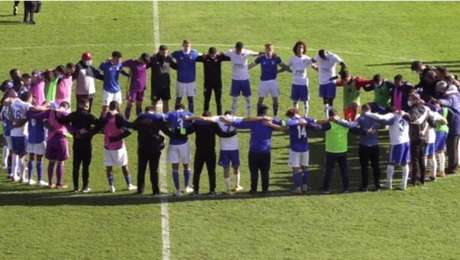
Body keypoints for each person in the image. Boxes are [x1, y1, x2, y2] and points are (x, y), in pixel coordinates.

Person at [230, 105, 283, 194]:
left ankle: (253, 189)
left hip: (253, 152)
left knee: (254, 172)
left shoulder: (253, 122)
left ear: (257, 112)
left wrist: (228, 121)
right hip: (265, 152)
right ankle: (265, 190)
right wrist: (271, 124)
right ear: (265, 113)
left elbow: (239, 123)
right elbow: (283, 125)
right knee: (265, 172)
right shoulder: (270, 121)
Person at [57, 98, 99, 193]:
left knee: (76, 165)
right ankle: (85, 187)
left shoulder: (73, 115)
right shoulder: (89, 116)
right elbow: (99, 124)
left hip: (77, 143)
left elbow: (61, 120)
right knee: (85, 166)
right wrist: (90, 132)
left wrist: (73, 130)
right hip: (87, 144)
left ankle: (75, 187)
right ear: (85, 106)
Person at [28, 101, 71, 189]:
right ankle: (59, 184)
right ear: (67, 107)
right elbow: (71, 123)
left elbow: (37, 116)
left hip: (51, 140)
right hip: (61, 139)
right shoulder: (65, 113)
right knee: (60, 162)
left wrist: (30, 112)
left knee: (51, 162)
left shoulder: (50, 112)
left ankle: (50, 183)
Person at [365, 109, 411, 190]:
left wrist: (367, 113)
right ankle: (404, 184)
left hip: (396, 143)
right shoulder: (406, 115)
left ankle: (389, 183)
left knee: (390, 163)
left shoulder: (392, 115)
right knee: (405, 163)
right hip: (406, 142)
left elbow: (380, 117)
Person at [99, 101, 136, 193]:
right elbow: (129, 130)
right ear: (117, 107)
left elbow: (100, 128)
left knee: (109, 167)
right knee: (124, 165)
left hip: (107, 145)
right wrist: (117, 138)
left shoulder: (105, 116)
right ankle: (129, 185)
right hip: (118, 146)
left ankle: (111, 186)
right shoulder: (119, 116)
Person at [128, 106, 167, 195]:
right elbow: (166, 130)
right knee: (154, 170)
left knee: (141, 169)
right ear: (153, 110)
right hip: (155, 148)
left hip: (143, 147)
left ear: (146, 110)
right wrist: (179, 134)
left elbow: (132, 126)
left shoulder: (141, 117)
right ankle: (155, 190)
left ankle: (140, 189)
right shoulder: (158, 117)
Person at [285, 107, 323, 193]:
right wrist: (306, 123)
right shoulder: (305, 119)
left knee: (296, 169)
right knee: (305, 168)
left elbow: (289, 123)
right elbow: (317, 126)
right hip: (305, 148)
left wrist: (300, 122)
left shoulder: (292, 121)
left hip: (295, 148)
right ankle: (305, 186)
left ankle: (298, 188)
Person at [344, 104, 382, 191]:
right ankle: (377, 185)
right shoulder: (375, 118)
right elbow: (380, 125)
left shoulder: (361, 118)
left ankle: (365, 186)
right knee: (376, 166)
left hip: (364, 145)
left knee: (364, 167)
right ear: (370, 109)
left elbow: (352, 127)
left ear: (363, 110)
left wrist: (363, 131)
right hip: (375, 145)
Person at [318, 110, 353, 193]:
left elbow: (319, 128)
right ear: (337, 114)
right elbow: (350, 126)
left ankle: (326, 189)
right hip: (343, 150)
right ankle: (346, 188)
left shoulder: (329, 124)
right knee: (344, 170)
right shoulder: (344, 122)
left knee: (329, 171)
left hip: (331, 151)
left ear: (329, 115)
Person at [249, 43, 289, 117]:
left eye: (270, 49)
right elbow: (251, 65)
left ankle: (275, 116)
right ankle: (258, 116)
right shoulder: (261, 58)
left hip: (273, 82)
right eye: (267, 49)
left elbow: (285, 67)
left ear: (272, 50)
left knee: (275, 100)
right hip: (263, 82)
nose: (268, 51)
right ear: (265, 50)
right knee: (260, 100)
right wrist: (243, 69)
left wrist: (280, 71)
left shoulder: (276, 58)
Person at [164, 103, 193, 196]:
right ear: (183, 108)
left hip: (173, 143)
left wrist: (171, 131)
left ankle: (177, 190)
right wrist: (182, 131)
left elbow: (164, 121)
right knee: (186, 165)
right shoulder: (188, 113)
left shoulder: (170, 114)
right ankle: (187, 187)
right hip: (184, 142)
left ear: (175, 108)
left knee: (175, 167)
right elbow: (191, 124)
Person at [225, 42, 259, 117]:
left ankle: (249, 115)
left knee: (248, 99)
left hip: (245, 79)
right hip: (235, 80)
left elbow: (256, 54)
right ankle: (233, 117)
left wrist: (264, 53)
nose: (239, 51)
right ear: (235, 48)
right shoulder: (230, 52)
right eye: (238, 50)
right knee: (234, 100)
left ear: (242, 48)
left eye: (240, 50)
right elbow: (222, 55)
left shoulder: (246, 52)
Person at [196, 47, 230, 115]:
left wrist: (222, 54)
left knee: (218, 101)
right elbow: (195, 58)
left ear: (216, 53)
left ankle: (219, 116)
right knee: (206, 100)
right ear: (209, 53)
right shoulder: (205, 58)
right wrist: (202, 55)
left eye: (214, 54)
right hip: (207, 84)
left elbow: (230, 57)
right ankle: (205, 116)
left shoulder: (219, 57)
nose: (213, 56)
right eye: (211, 55)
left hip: (218, 83)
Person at [286, 41, 316, 116]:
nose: (300, 49)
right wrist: (278, 71)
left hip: (304, 83)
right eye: (298, 47)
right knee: (295, 101)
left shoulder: (307, 58)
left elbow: (314, 66)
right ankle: (296, 115)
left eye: (302, 47)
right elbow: (286, 67)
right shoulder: (292, 59)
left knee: (305, 101)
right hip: (295, 83)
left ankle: (305, 115)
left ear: (304, 49)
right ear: (295, 48)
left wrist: (321, 70)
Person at [313, 49, 346, 117]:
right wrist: (315, 67)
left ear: (326, 54)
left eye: (324, 57)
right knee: (324, 100)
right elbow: (311, 61)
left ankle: (331, 115)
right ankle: (327, 116)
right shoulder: (318, 56)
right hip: (322, 81)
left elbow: (344, 65)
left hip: (331, 81)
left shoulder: (333, 56)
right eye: (321, 57)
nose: (322, 58)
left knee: (330, 100)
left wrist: (338, 75)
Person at [171, 40, 199, 113]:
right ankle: (176, 113)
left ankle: (191, 114)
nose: (187, 47)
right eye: (185, 46)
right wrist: (174, 66)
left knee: (190, 99)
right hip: (180, 81)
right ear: (183, 45)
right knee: (179, 98)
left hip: (191, 81)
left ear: (190, 46)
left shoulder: (194, 53)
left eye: (188, 46)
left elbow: (202, 55)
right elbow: (169, 56)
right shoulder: (177, 53)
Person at [148, 45, 176, 113]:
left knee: (165, 102)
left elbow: (176, 67)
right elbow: (144, 66)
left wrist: (173, 59)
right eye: (164, 53)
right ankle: (153, 118)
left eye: (166, 53)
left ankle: (165, 118)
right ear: (159, 51)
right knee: (154, 102)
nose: (165, 54)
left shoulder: (169, 58)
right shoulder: (153, 58)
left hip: (165, 85)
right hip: (155, 85)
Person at [122, 53, 150, 119]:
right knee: (130, 104)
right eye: (144, 61)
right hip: (133, 88)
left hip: (142, 88)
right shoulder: (132, 62)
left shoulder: (145, 63)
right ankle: (126, 120)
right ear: (141, 58)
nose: (145, 63)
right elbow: (120, 64)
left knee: (139, 104)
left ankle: (139, 120)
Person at [25, 100, 47, 186]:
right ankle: (39, 180)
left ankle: (29, 179)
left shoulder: (28, 113)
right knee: (39, 160)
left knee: (31, 158)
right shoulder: (42, 114)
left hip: (31, 139)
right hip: (39, 139)